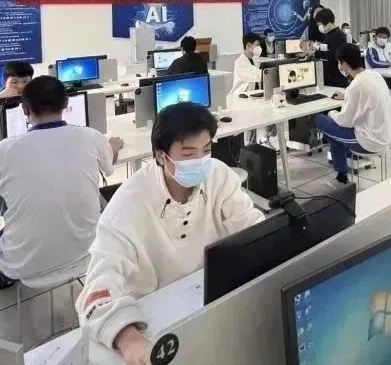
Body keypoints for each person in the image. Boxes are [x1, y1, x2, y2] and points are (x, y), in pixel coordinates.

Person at [79, 102, 263, 363]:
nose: (200, 161)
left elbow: (253, 229)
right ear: (160, 156)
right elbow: (98, 285)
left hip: (208, 296)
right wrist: (127, 337)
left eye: (206, 150)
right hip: (151, 314)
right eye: (188, 153)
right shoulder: (130, 202)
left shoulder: (218, 176)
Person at [0, 76, 125, 289]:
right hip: (88, 251)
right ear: (66, 104)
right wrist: (113, 148)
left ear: (24, 109)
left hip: (23, 264)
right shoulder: (92, 137)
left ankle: (2, 265)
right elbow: (109, 165)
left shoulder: (2, 151)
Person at [315, 44, 391, 185]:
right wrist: (346, 95)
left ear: (345, 64)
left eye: (340, 63)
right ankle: (341, 174)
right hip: (385, 137)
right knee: (334, 134)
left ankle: (342, 173)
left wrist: (331, 113)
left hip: (368, 142)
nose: (340, 66)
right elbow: (366, 94)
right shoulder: (374, 75)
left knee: (319, 119)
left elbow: (345, 121)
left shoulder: (355, 86)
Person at [314, 8, 349, 88]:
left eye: (320, 25)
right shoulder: (329, 34)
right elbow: (328, 48)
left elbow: (334, 56)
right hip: (329, 77)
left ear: (328, 22)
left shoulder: (339, 36)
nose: (319, 27)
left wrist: (317, 52)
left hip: (336, 79)